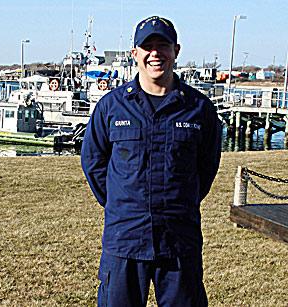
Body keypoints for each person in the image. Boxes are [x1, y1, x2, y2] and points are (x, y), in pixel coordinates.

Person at [81, 16, 221, 307]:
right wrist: (121, 203)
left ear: (176, 51)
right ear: (135, 54)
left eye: (163, 46)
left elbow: (206, 167)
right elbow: (94, 162)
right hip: (125, 237)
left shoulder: (198, 109)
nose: (155, 53)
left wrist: (182, 200)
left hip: (179, 237)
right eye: (147, 46)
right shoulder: (112, 106)